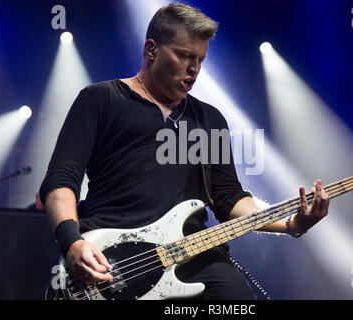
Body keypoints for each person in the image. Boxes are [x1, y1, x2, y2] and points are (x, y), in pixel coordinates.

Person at [39, 3, 329, 300]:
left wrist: (292, 223)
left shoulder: (209, 119)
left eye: (200, 60)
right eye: (184, 56)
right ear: (151, 49)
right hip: (111, 254)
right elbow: (61, 180)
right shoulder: (100, 99)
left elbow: (228, 197)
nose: (194, 69)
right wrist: (71, 242)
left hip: (192, 253)